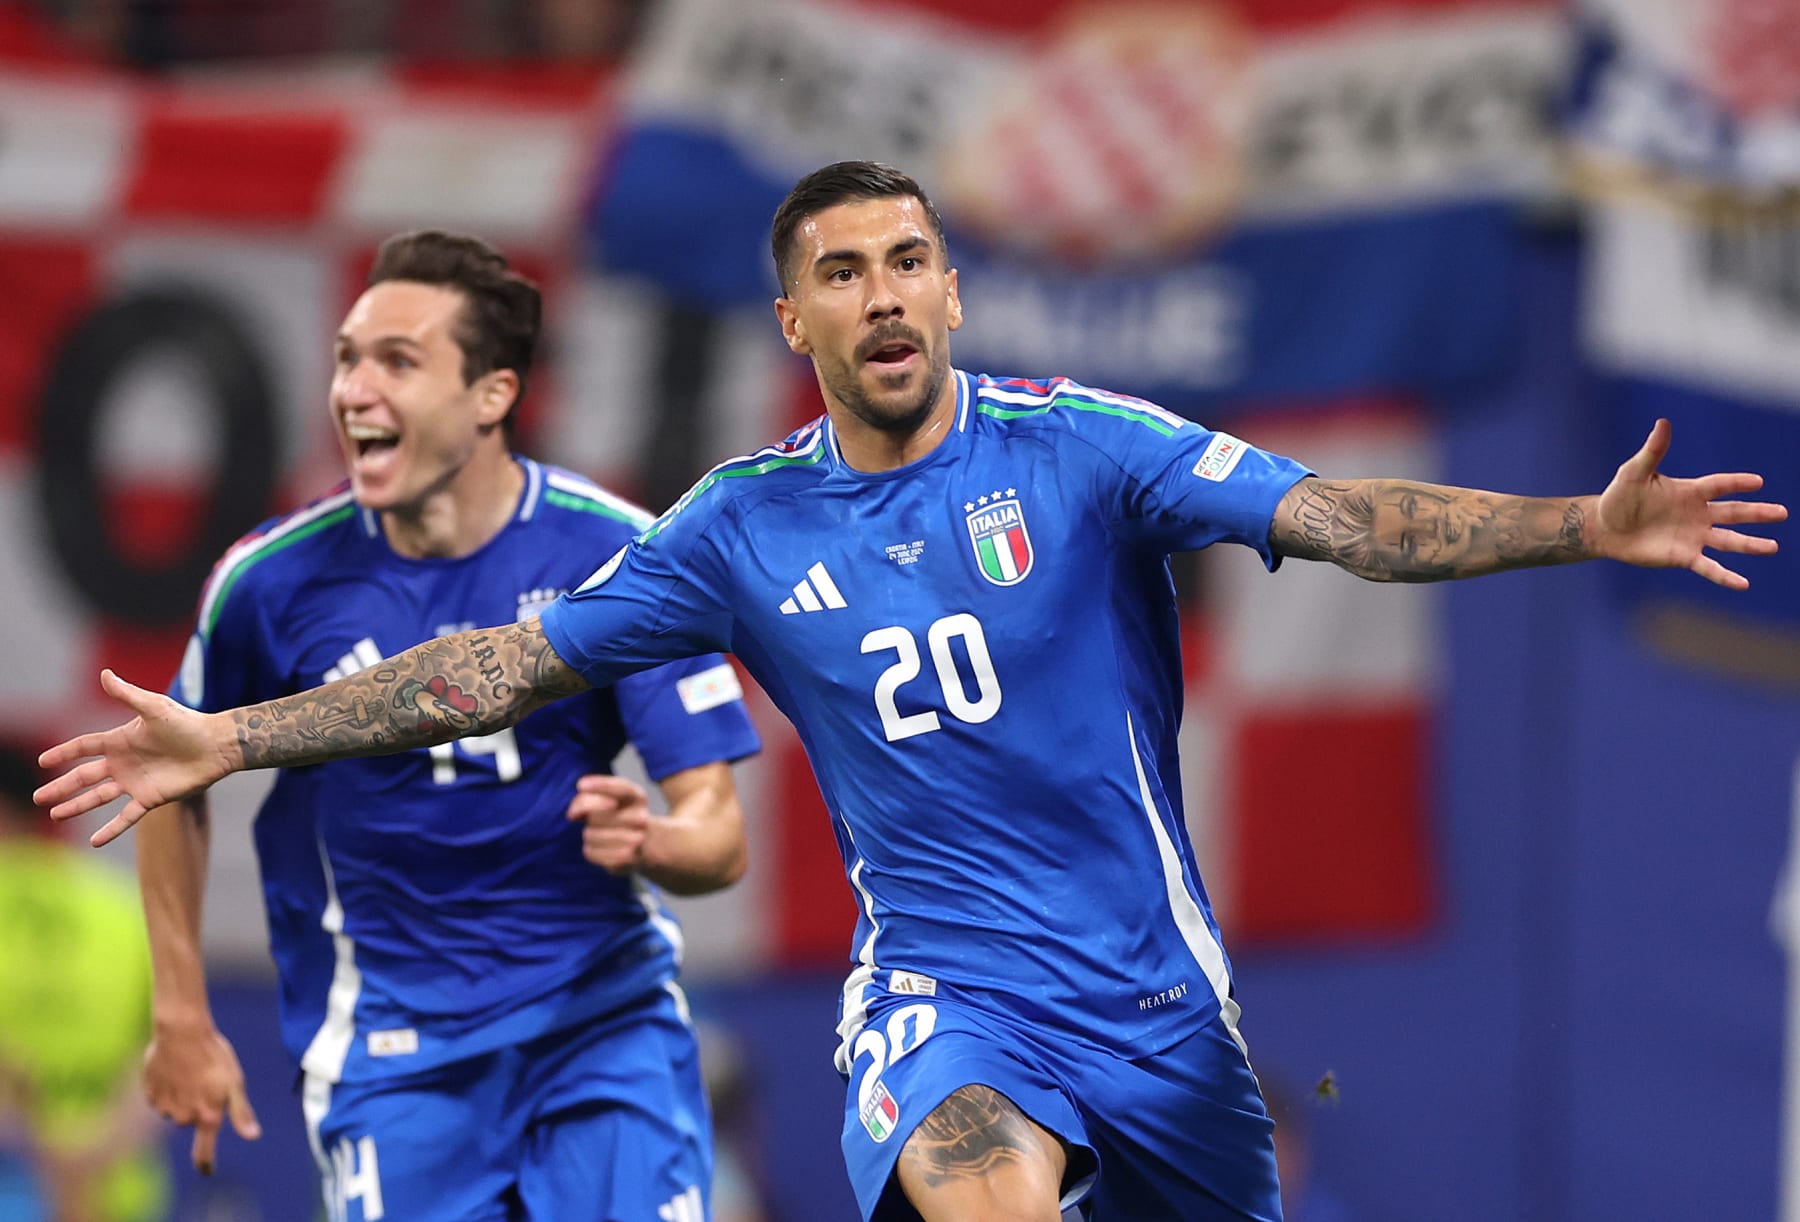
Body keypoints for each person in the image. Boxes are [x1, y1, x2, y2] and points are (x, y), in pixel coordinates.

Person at [35, 163, 1785, 1222]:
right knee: (969, 1172)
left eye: (907, 261)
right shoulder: (737, 526)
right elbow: (498, 662)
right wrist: (245, 733)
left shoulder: (1086, 452)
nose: (884, 294)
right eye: (842, 271)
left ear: (949, 286)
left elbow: (1345, 520)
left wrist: (1577, 522)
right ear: (795, 317)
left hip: (1160, 1008)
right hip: (947, 989)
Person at [125, 231, 762, 1221]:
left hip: (601, 1025)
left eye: (398, 361)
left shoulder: (622, 557)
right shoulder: (269, 581)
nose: (353, 390)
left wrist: (663, 842)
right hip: (392, 1050)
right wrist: (180, 1011)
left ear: (491, 395)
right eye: (346, 358)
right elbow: (176, 776)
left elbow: (717, 828)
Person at [0, 745, 171, 1222]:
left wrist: (44, 1156)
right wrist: (88, 1159)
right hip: (116, 1195)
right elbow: (171, 1057)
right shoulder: (120, 904)